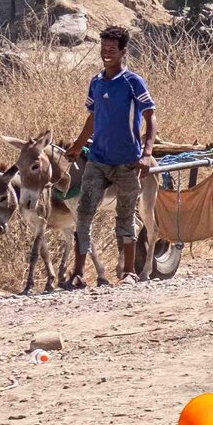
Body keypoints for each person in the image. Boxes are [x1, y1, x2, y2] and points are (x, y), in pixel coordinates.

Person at [71, 26, 154, 285]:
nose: (106, 54)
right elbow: (93, 117)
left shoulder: (133, 82)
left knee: (126, 214)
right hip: (97, 159)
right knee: (84, 213)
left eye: (112, 49)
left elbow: (150, 116)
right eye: (103, 49)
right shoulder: (96, 82)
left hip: (127, 160)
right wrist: (77, 145)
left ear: (123, 52)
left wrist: (146, 152)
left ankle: (128, 271)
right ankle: (77, 274)